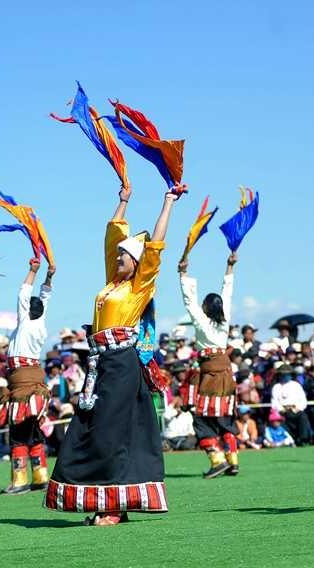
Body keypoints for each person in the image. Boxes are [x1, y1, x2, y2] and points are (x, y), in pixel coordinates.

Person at [45, 182, 183, 526]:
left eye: (125, 256)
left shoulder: (139, 287)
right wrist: (122, 201)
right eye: (119, 255)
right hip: (101, 363)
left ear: (136, 264)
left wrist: (168, 202)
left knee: (110, 431)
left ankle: (112, 507)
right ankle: (105, 502)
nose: (118, 257)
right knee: (90, 428)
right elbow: (111, 237)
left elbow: (156, 249)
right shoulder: (111, 284)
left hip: (121, 364)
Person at [0, 258, 55, 495]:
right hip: (34, 382)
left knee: (18, 431)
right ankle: (41, 476)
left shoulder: (26, 323)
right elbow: (44, 298)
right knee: (33, 429)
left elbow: (23, 293)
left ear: (26, 311)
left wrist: (33, 271)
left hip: (21, 383)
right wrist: (48, 278)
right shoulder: (40, 324)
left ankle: (19, 481)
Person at [178, 251, 239, 477]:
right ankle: (233, 459)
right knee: (224, 416)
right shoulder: (225, 322)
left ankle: (217, 459)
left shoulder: (202, 322)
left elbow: (189, 301)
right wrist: (229, 267)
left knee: (202, 419)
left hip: (210, 375)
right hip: (226, 374)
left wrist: (183, 274)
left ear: (205, 308)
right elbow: (228, 293)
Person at [269, 364, 312, 445]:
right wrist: (282, 409)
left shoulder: (296, 385)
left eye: (287, 374)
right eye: (283, 375)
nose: (285, 376)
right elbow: (274, 402)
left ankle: (303, 439)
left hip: (296, 410)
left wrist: (297, 408)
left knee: (303, 417)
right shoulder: (276, 387)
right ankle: (290, 440)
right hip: (283, 412)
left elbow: (303, 400)